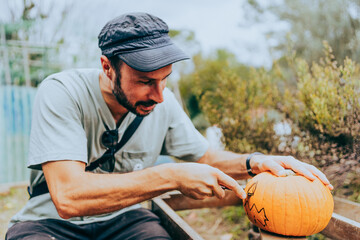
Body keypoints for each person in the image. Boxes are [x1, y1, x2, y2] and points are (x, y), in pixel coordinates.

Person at [6, 12, 333, 240]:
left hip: (126, 219)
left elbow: (205, 158)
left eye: (166, 80)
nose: (160, 96)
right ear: (107, 67)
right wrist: (171, 175)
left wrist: (254, 161)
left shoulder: (161, 101)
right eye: (146, 81)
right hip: (48, 222)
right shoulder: (62, 91)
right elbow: (68, 197)